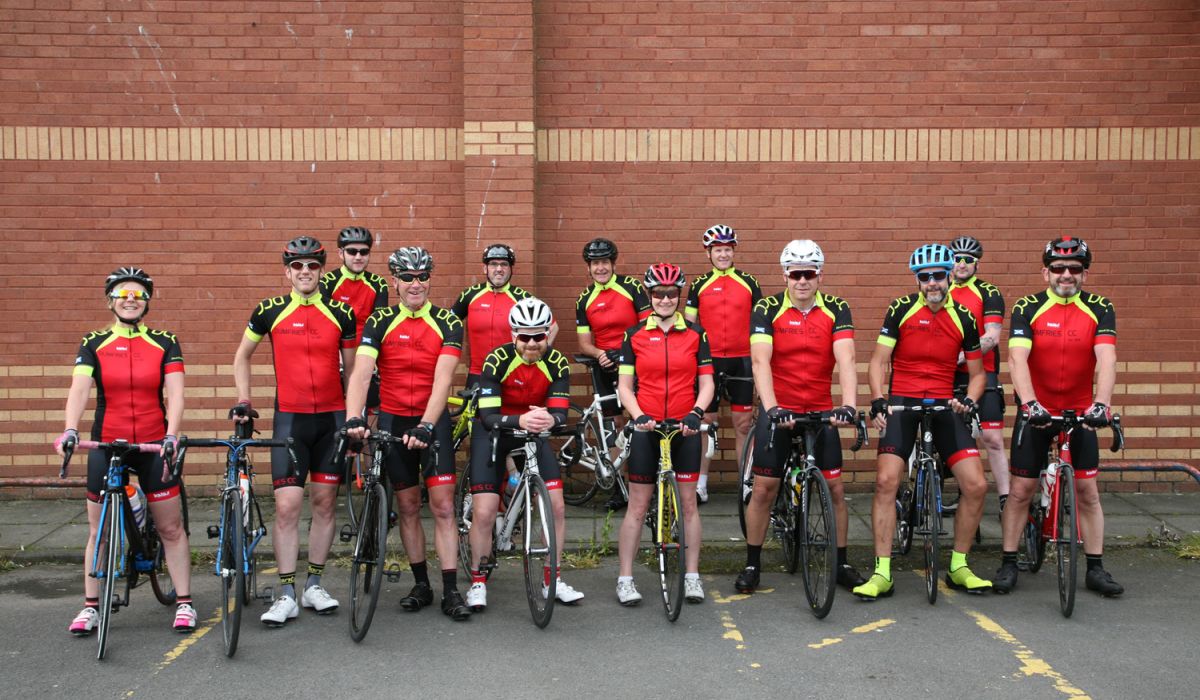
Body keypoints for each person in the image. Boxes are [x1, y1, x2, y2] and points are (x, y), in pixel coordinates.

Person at [57, 267, 195, 635]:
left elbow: (176, 393)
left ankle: (184, 602)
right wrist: (71, 428)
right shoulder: (93, 342)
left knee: (170, 527)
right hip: (106, 441)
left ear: (147, 301)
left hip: (153, 442)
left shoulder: (165, 341)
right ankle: (90, 607)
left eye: (137, 294)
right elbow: (80, 389)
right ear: (110, 301)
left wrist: (172, 434)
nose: (130, 300)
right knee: (97, 531)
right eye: (122, 294)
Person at [855, 244, 991, 600]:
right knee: (886, 481)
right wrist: (879, 399)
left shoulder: (963, 316)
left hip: (947, 403)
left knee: (975, 485)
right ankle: (882, 572)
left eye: (938, 276)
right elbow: (878, 360)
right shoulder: (901, 309)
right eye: (924, 277)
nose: (932, 283)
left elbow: (978, 374)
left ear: (949, 277)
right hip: (903, 401)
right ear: (917, 280)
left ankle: (959, 566)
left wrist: (969, 400)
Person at [233, 237, 357, 626]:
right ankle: (285, 590)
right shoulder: (269, 311)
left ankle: (314, 585)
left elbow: (354, 371)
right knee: (286, 507)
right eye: (298, 266)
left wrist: (356, 417)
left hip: (333, 421)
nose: (305, 272)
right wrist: (243, 399)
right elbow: (242, 356)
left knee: (323, 503)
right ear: (287, 271)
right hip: (290, 419)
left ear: (322, 270)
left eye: (312, 266)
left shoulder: (341, 312)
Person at [343, 246, 472, 620]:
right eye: (408, 277)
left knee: (444, 506)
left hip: (432, 423)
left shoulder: (448, 322)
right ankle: (421, 584)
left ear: (429, 279)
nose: (416, 284)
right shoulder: (379, 321)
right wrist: (354, 417)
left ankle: (450, 589)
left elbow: (442, 379)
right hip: (394, 423)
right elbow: (362, 373)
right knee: (409, 506)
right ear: (394, 281)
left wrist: (428, 425)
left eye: (423, 277)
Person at [993, 237, 1123, 596]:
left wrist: (1101, 403)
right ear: (1045, 271)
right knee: (1021, 491)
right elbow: (1017, 358)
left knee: (1087, 492)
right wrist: (1030, 402)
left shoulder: (1100, 307)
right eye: (1058, 268)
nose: (1066, 275)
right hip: (1037, 409)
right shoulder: (1028, 306)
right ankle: (1008, 562)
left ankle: (1095, 568)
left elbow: (1107, 359)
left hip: (1082, 411)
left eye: (1075, 269)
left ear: (1084, 273)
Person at [734, 240, 865, 594]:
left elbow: (847, 359)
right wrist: (773, 407)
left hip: (821, 409)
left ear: (819, 275)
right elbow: (760, 360)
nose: (802, 281)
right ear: (785, 275)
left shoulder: (837, 309)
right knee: (764, 489)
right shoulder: (767, 308)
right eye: (796, 274)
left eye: (809, 273)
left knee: (836, 489)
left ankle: (841, 563)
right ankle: (752, 563)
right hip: (780, 409)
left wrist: (848, 405)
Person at [463, 297, 585, 611]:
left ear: (547, 334)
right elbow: (488, 417)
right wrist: (519, 419)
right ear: (513, 335)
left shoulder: (556, 362)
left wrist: (551, 419)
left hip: (533, 432)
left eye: (539, 336)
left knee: (556, 507)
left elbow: (559, 414)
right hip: (495, 433)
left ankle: (552, 579)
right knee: (486, 512)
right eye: (525, 336)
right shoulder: (496, 360)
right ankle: (478, 580)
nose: (532, 343)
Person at [614, 263, 715, 606]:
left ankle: (691, 576)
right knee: (637, 506)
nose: (666, 299)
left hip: (685, 427)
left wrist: (696, 412)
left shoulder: (696, 334)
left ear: (679, 296)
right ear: (650, 296)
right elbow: (625, 386)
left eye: (672, 293)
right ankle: (625, 578)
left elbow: (707, 383)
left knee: (688, 505)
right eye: (659, 293)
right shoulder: (635, 335)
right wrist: (638, 414)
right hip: (648, 427)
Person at [684, 224, 761, 504]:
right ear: (709, 253)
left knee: (742, 425)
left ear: (733, 251)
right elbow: (690, 328)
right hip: (709, 361)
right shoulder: (699, 284)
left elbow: (759, 325)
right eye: (718, 250)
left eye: (728, 249)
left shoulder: (749, 282)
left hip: (742, 360)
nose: (723, 254)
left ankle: (745, 483)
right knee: (705, 423)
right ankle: (701, 484)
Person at [574, 237, 650, 510]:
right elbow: (584, 342)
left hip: (635, 362)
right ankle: (619, 489)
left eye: (605, 262)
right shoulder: (585, 299)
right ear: (589, 268)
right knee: (615, 428)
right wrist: (600, 354)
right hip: (604, 367)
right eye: (595, 264)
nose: (600, 268)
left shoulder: (630, 288)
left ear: (613, 263)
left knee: (640, 423)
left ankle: (643, 485)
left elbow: (646, 324)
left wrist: (625, 351)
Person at [947, 235, 1010, 514]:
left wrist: (961, 355)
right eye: (957, 259)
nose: (961, 264)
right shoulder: (939, 289)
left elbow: (992, 337)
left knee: (993, 439)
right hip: (947, 375)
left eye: (968, 260)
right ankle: (962, 496)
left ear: (976, 265)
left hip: (982, 373)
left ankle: (1007, 500)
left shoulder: (989, 292)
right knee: (952, 439)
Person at [452, 243, 558, 388]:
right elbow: (448, 325)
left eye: (504, 264)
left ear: (510, 269)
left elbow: (553, 326)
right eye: (493, 264)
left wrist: (537, 355)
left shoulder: (521, 297)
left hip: (511, 371)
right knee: (474, 411)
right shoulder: (470, 295)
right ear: (485, 268)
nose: (499, 269)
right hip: (478, 373)